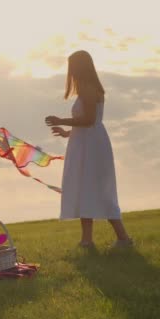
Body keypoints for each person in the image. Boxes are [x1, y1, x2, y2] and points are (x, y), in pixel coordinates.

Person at [45, 50, 132, 248]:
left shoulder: (88, 88)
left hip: (92, 147)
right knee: (85, 189)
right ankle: (87, 240)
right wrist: (67, 132)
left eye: (72, 67)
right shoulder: (87, 87)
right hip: (86, 143)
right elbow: (85, 124)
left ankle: (123, 238)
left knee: (99, 190)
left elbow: (90, 120)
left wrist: (62, 120)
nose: (70, 72)